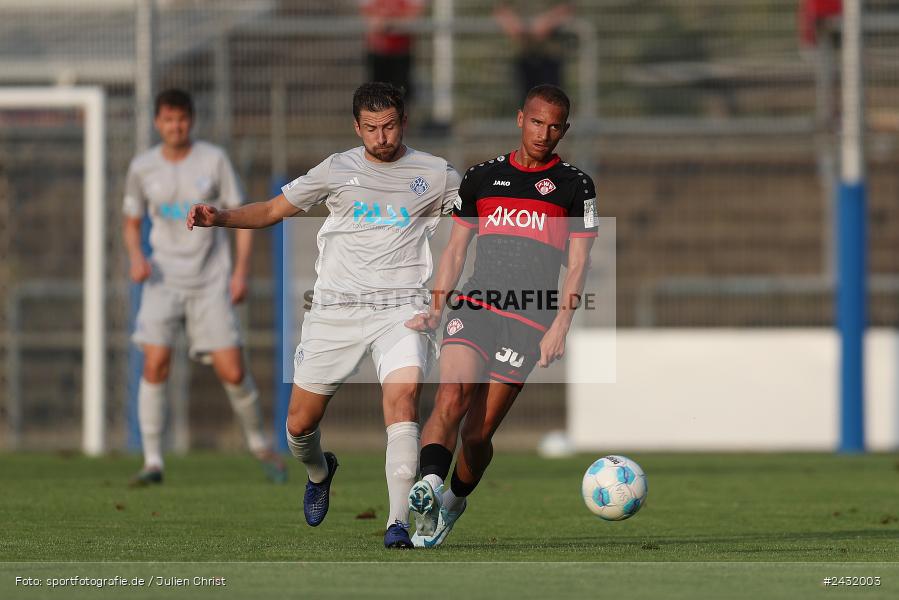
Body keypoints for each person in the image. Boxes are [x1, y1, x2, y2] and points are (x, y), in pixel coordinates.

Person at [187, 82, 461, 549]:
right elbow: (274, 209)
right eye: (371, 128)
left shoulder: (437, 174)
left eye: (390, 126)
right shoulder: (337, 169)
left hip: (401, 307)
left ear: (404, 123)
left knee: (404, 399)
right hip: (335, 309)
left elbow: (467, 229)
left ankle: (397, 522)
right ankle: (319, 470)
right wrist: (220, 217)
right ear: (357, 128)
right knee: (298, 425)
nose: (382, 137)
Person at [405, 84, 597, 547]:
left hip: (530, 317)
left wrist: (561, 326)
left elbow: (578, 264)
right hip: (476, 303)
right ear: (519, 119)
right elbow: (455, 251)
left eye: (554, 126)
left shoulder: (576, 186)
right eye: (536, 122)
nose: (544, 133)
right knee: (452, 394)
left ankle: (452, 501)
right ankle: (428, 486)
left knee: (477, 435)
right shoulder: (481, 177)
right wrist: (436, 306)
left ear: (564, 130)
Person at [124, 88, 286, 487]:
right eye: (167, 119)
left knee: (232, 371)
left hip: (211, 281)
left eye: (181, 119)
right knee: (155, 363)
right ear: (157, 123)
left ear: (190, 121)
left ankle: (260, 444)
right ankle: (153, 461)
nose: (175, 126)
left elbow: (240, 217)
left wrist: (240, 273)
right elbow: (131, 221)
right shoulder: (142, 167)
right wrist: (135, 257)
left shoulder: (213, 160)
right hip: (163, 279)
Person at [494, 1, 574, 102]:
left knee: (553, 100)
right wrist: (514, 26)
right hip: (523, 56)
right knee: (527, 101)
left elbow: (567, 7)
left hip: (549, 56)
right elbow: (500, 10)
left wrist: (546, 23)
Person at [360, 0, 425, 103]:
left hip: (401, 51)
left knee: (401, 95)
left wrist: (392, 24)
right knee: (376, 96)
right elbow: (369, 19)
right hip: (378, 51)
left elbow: (412, 18)